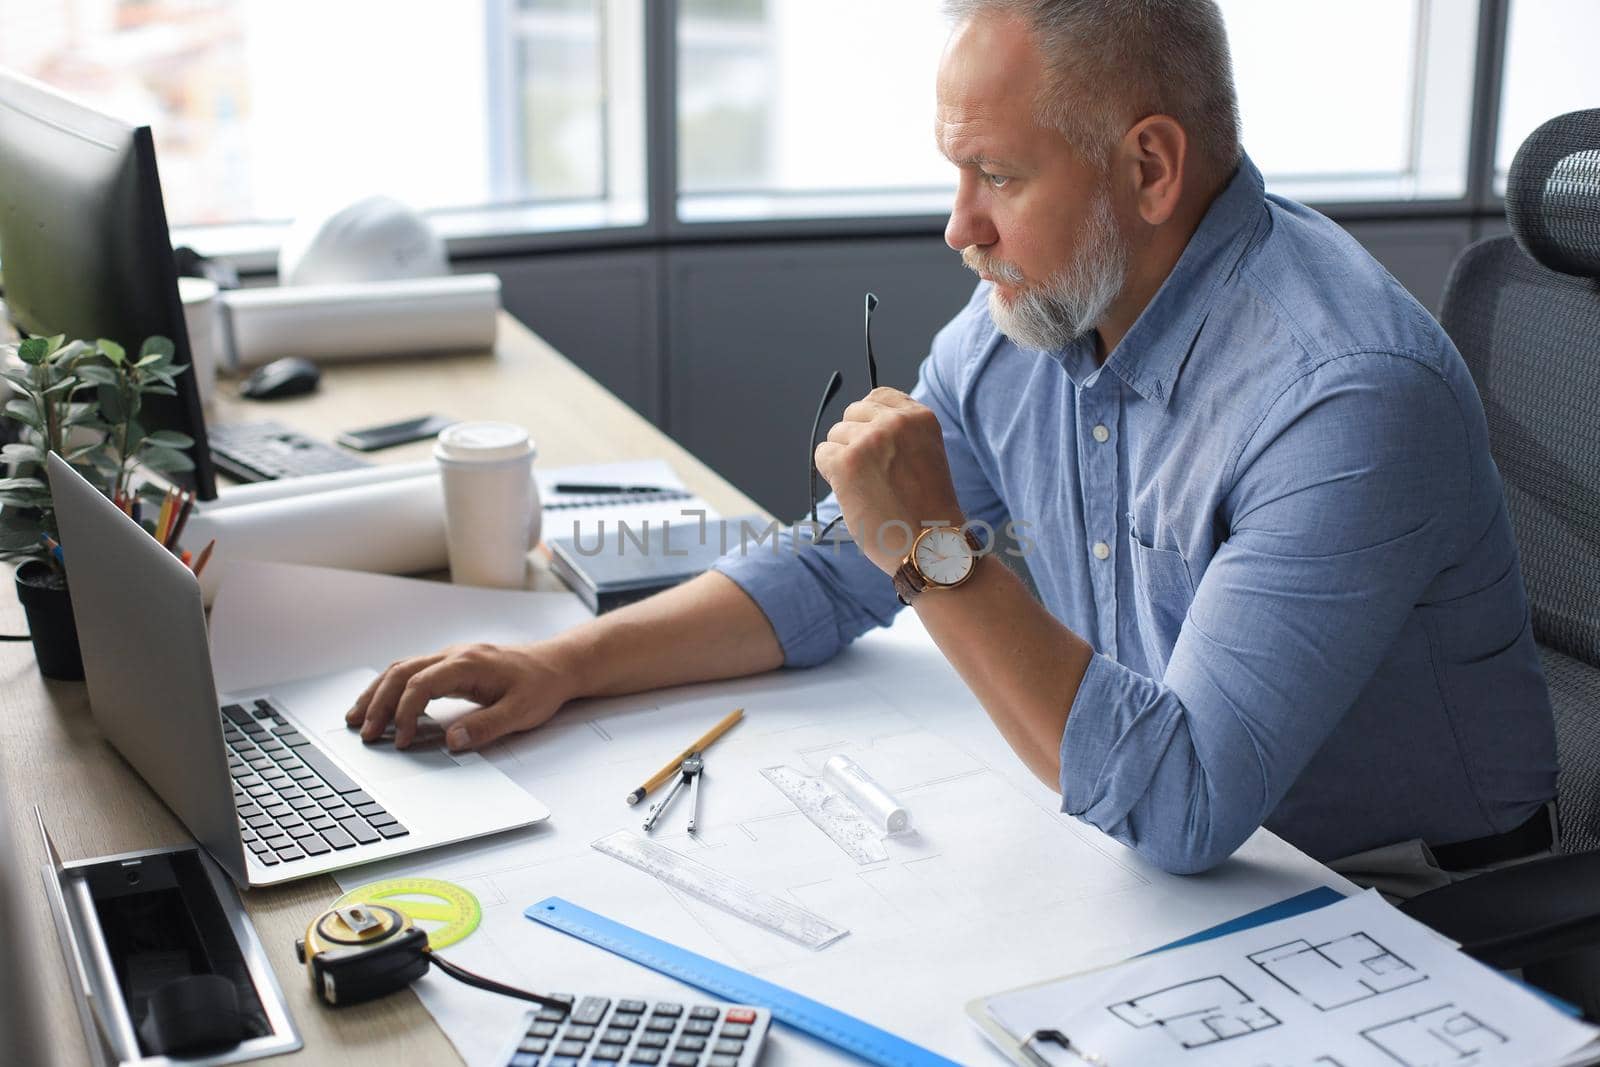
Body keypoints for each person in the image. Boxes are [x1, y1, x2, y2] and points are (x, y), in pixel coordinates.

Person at [348, 0, 1557, 893]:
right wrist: (571, 664)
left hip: (1401, 901)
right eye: (954, 170)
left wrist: (931, 548)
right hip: (1155, 849)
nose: (957, 225)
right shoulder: (1035, 314)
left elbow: (1184, 798)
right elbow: (835, 567)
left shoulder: (1343, 394)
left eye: (996, 174)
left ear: (1148, 166)